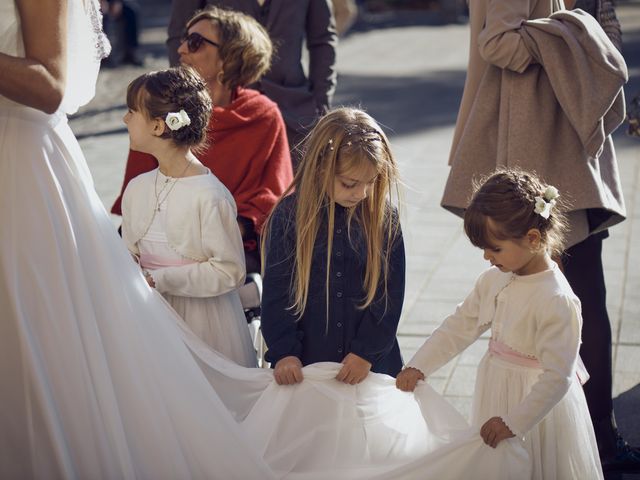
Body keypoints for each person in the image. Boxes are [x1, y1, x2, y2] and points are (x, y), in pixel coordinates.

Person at [439, 0, 638, 472]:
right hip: (541, 138)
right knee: (576, 293)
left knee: (562, 296)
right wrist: (574, 29)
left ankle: (577, 430)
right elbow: (500, 42)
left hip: (547, 136)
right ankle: (590, 437)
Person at [398, 170, 603, 479]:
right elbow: (460, 325)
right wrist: (420, 365)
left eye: (495, 249)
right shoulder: (495, 279)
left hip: (536, 409)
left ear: (533, 239)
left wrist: (514, 422)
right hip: (497, 389)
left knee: (536, 466)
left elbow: (558, 377)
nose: (486, 257)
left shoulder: (556, 299)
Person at [112, 6, 293, 273]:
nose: (182, 49)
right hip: (158, 237)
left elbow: (271, 197)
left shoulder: (263, 115)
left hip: (234, 243)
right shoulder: (159, 108)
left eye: (195, 42)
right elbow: (137, 192)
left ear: (229, 58)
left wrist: (218, 230)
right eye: (185, 39)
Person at [120, 67, 257, 367]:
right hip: (150, 315)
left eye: (132, 112)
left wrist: (160, 279)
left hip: (203, 323)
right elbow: (130, 251)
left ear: (159, 127)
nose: (125, 119)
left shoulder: (209, 195)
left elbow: (228, 271)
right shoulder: (138, 188)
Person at [260, 107, 406, 386]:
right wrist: (285, 352)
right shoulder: (289, 218)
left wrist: (366, 352)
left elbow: (389, 295)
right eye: (350, 183)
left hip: (369, 369)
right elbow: (278, 293)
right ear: (320, 167)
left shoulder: (383, 219)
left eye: (370, 182)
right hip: (309, 365)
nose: (361, 194)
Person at [166, 0, 337, 160]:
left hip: (294, 114)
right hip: (221, 113)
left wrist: (320, 106)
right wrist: (190, 98)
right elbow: (178, 35)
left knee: (292, 189)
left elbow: (322, 40)